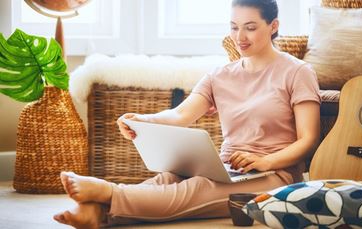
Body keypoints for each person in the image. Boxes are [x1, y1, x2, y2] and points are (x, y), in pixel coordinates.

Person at [53, 0, 321, 228]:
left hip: (275, 176)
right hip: (228, 167)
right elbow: (180, 114)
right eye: (234, 27)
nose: (240, 37)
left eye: (250, 28)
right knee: (168, 178)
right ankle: (99, 215)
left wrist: (266, 162)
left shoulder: (298, 73)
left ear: (273, 26)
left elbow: (308, 140)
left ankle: (109, 193)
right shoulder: (220, 75)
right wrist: (142, 120)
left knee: (195, 190)